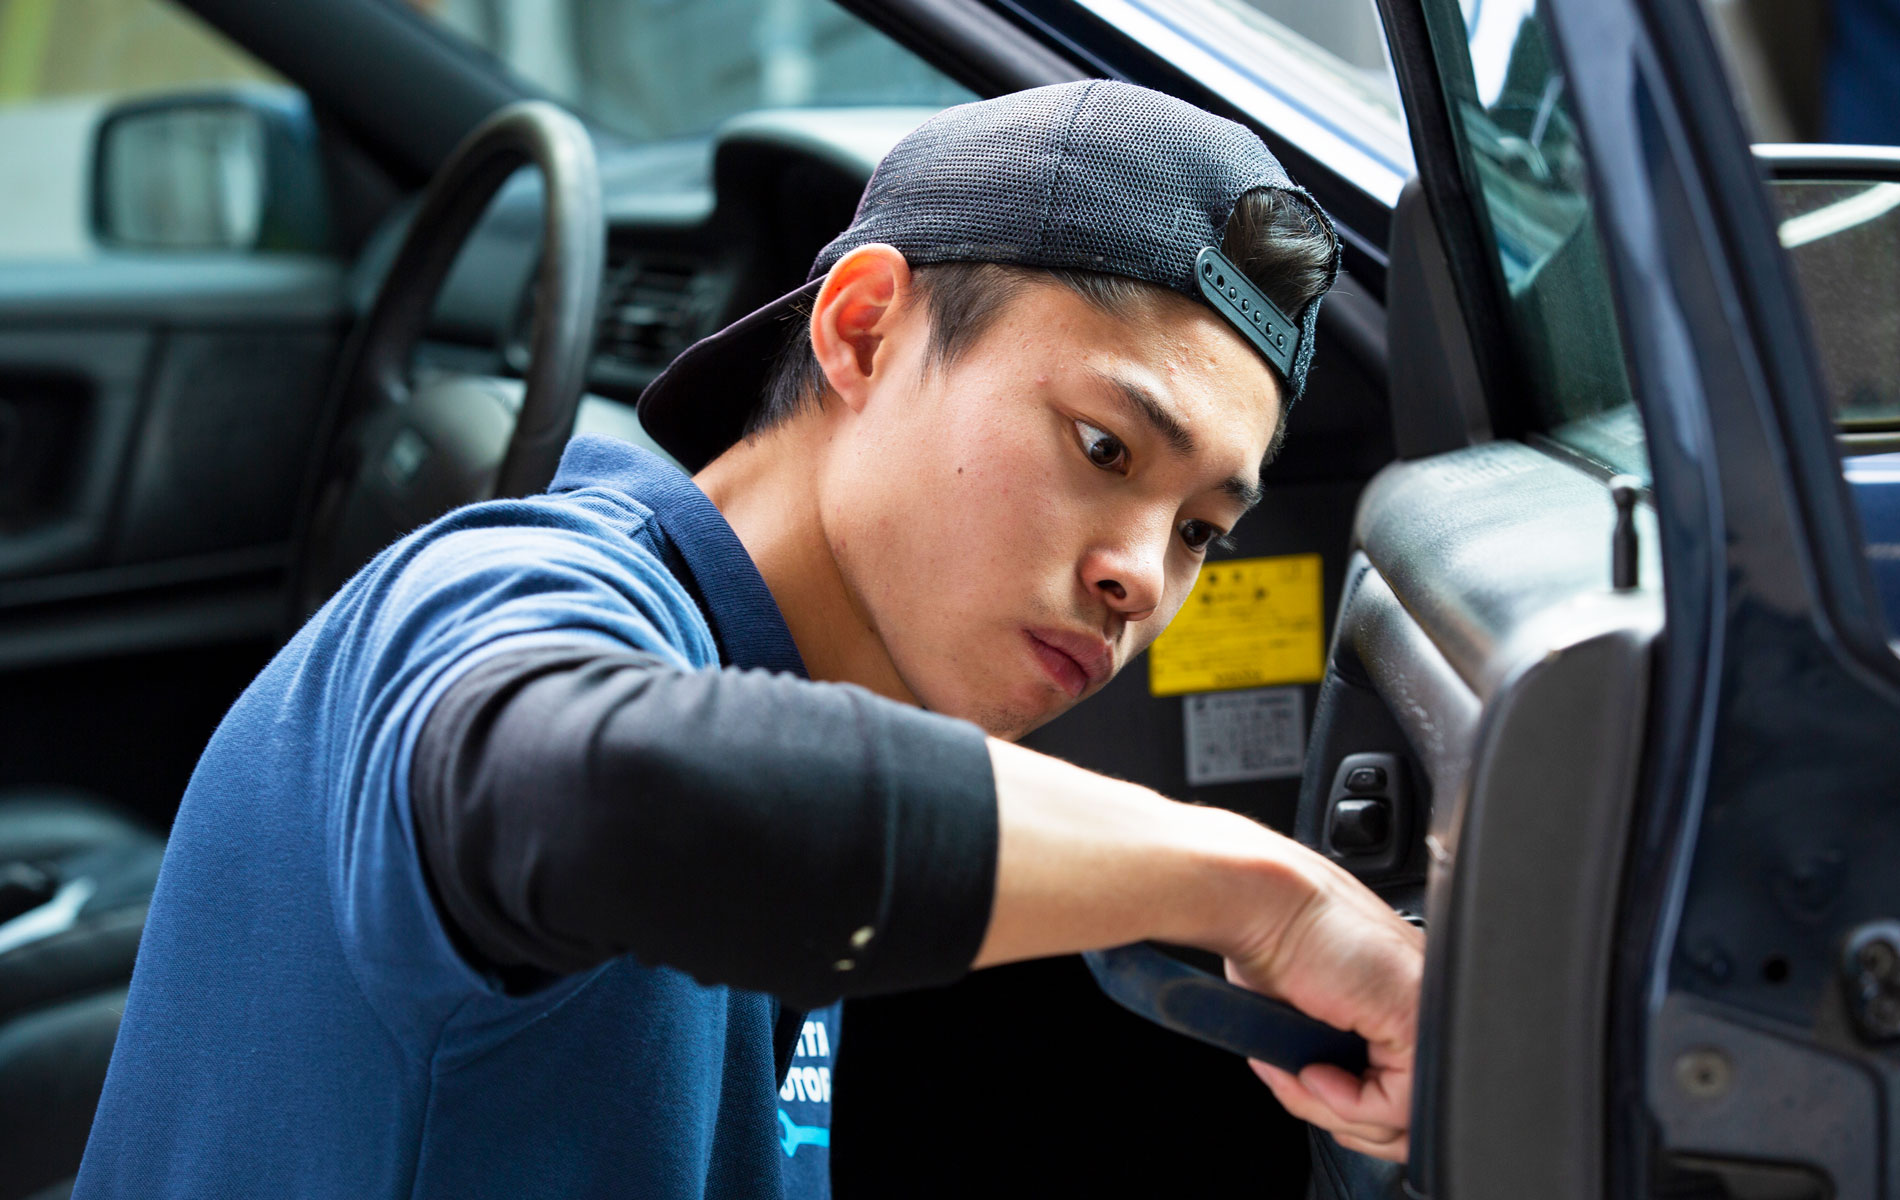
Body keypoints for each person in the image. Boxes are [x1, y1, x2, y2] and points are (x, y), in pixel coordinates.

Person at [75, 81, 1424, 1198]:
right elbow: (589, 789)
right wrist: (1264, 893)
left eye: (1200, 531)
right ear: (863, 328)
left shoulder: (777, 690)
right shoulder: (520, 592)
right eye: (1101, 445)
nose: (1142, 577)